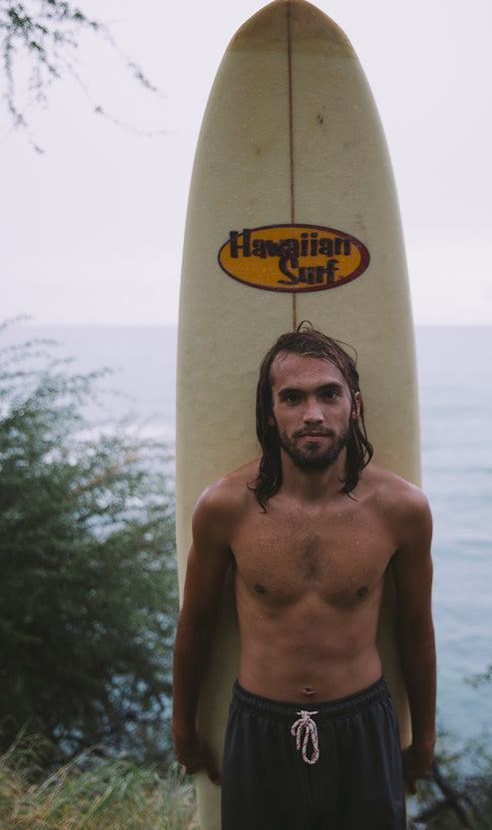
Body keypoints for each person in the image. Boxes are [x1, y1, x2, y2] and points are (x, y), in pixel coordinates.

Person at [172, 325, 436, 829]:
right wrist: (182, 724)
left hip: (363, 726)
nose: (312, 414)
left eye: (328, 394)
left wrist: (423, 738)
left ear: (353, 405)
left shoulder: (402, 509)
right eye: (292, 398)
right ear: (270, 413)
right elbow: (198, 621)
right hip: (259, 728)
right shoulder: (225, 507)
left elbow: (415, 629)